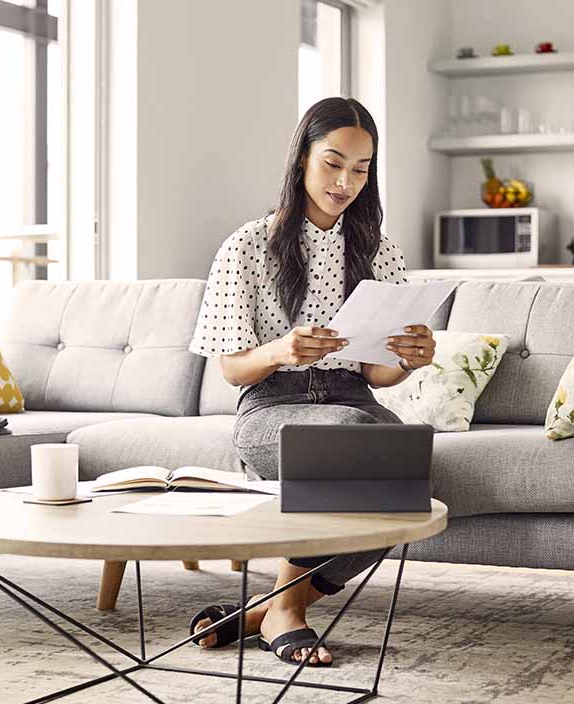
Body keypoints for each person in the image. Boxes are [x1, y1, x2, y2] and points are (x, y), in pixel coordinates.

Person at [186, 97, 436, 667]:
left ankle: (271, 607)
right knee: (350, 438)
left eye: (361, 168)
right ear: (301, 158)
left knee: (408, 468)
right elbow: (230, 368)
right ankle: (288, 612)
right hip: (271, 407)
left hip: (353, 399)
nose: (345, 181)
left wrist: (410, 359)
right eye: (333, 162)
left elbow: (376, 372)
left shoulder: (376, 249)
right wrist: (281, 350)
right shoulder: (248, 245)